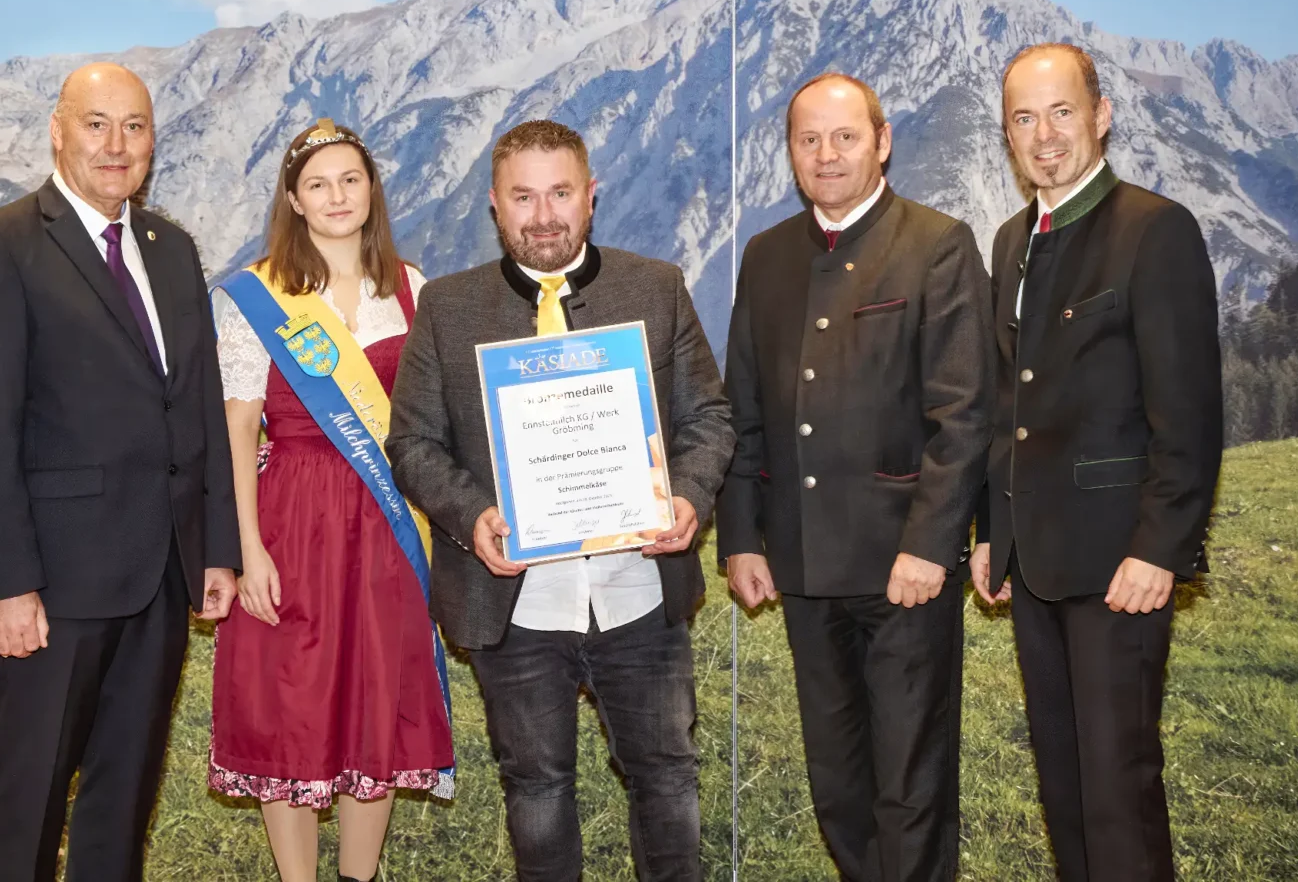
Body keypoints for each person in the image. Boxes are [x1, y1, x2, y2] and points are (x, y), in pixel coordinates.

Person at [386, 119, 734, 882]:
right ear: (494, 205)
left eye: (560, 193)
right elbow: (410, 443)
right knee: (536, 790)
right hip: (515, 604)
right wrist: (473, 513)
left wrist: (686, 496)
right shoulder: (448, 308)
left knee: (667, 778)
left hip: (638, 591)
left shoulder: (657, 286)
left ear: (590, 195)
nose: (543, 216)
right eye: (523, 197)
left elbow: (708, 417)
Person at [0, 62, 240, 881]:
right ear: (57, 130)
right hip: (54, 586)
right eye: (97, 123)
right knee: (30, 796)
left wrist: (215, 547)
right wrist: (6, 584)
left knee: (123, 797)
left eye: (134, 127)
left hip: (162, 578)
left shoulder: (170, 249)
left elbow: (199, 405)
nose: (117, 145)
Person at [717, 73, 993, 881]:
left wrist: (931, 548)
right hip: (800, 566)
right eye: (809, 140)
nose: (827, 155)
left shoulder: (937, 244)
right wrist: (741, 537)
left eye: (844, 137)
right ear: (791, 152)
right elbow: (747, 412)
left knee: (910, 781)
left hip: (902, 566)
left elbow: (964, 415)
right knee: (836, 780)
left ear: (883, 140)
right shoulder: (766, 257)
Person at [971, 43, 1222, 881]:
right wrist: (990, 536)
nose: (1044, 137)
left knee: (1118, 789)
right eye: (1024, 119)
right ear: (1007, 134)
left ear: (1101, 114)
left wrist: (1160, 549)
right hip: (1035, 567)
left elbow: (1187, 416)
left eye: (1062, 112)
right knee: (1065, 788)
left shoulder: (1156, 229)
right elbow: (1008, 408)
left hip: (1121, 564)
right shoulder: (1012, 240)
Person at [207, 119, 454, 882]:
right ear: (294, 199)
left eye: (350, 179)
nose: (337, 196)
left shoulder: (411, 289)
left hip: (386, 523)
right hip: (289, 519)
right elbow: (237, 428)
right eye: (318, 183)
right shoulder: (254, 294)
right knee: (289, 700)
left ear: (371, 189)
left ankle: (360, 875)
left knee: (374, 694)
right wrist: (245, 550)